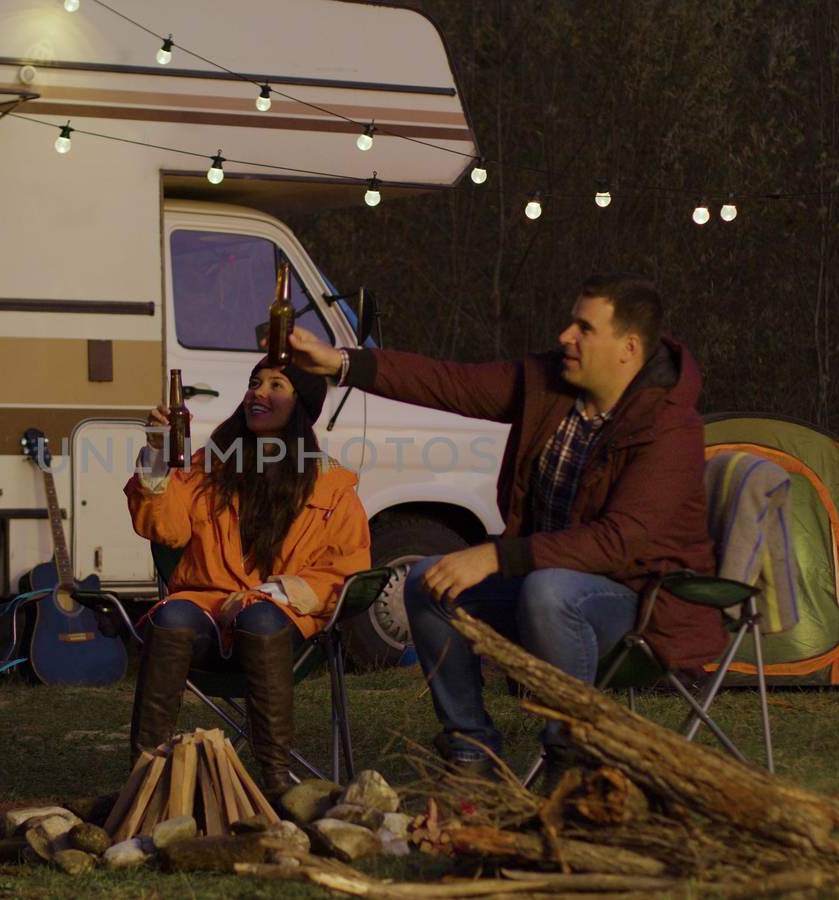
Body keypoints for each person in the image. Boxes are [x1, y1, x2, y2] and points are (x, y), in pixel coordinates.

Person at [284, 273, 719, 782]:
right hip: (546, 580)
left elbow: (620, 543)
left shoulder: (669, 429)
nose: (565, 337)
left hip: (641, 604)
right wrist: (342, 363)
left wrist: (495, 556)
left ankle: (569, 759)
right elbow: (452, 383)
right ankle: (471, 752)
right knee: (427, 581)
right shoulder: (552, 386)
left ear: (627, 348)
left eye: (583, 327)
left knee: (549, 591)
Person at [124, 360, 370, 795]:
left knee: (259, 619)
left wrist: (267, 593)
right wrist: (158, 454)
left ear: (300, 406)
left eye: (277, 385)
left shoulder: (330, 485)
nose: (259, 392)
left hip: (283, 620)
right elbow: (166, 528)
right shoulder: (211, 466)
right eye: (255, 383)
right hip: (207, 607)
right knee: (171, 617)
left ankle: (276, 784)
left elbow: (346, 569)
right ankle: (142, 780)